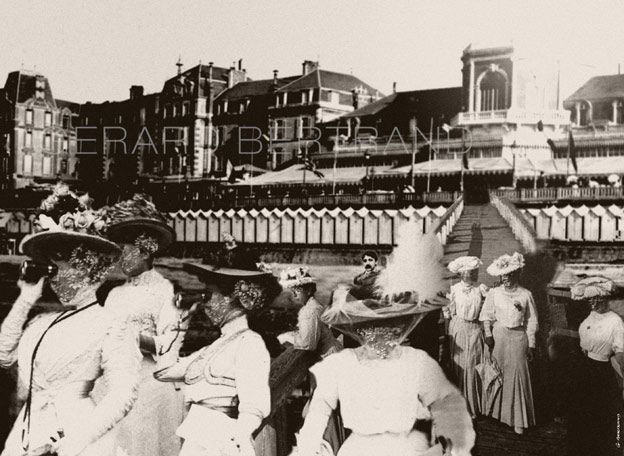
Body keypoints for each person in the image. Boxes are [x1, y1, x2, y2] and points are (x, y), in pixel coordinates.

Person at [295, 228, 475, 456]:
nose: (381, 336)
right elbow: (318, 410)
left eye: (389, 329)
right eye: (372, 329)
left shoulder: (413, 360)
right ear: (361, 329)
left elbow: (445, 404)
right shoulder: (345, 363)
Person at [0, 183, 141, 456]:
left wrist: (73, 443)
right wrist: (25, 298)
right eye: (53, 267)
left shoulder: (112, 323)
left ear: (90, 269)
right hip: (28, 431)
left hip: (77, 434)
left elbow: (123, 394)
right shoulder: (42, 321)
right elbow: (3, 356)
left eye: (64, 266)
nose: (55, 277)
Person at [154, 235, 281, 456]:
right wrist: (179, 324)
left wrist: (235, 441)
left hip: (224, 441)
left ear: (232, 298)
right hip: (197, 437)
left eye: (209, 295)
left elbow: (254, 406)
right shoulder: (212, 348)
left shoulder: (250, 343)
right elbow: (163, 372)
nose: (205, 303)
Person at [101, 194, 187, 456]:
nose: (121, 259)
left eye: (128, 252)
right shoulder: (114, 294)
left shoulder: (164, 291)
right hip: (111, 381)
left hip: (147, 385)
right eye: (121, 252)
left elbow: (168, 347)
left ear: (146, 251)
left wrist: (131, 336)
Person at [479, 252, 537, 435]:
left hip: (519, 337)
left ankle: (518, 420)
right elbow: (486, 316)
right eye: (503, 276)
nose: (506, 279)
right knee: (498, 373)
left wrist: (532, 344)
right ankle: (497, 413)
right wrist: (488, 334)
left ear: (517, 274)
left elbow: (532, 321)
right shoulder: (494, 293)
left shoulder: (526, 295)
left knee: (518, 374)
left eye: (510, 275)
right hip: (499, 336)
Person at [567, 276, 624, 456]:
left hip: (602, 371)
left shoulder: (615, 321)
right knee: (582, 410)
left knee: (602, 412)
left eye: (596, 299)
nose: (592, 303)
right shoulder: (591, 316)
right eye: (589, 299)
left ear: (604, 298)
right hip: (585, 367)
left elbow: (620, 353)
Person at [444, 256, 487, 418]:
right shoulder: (454, 289)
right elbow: (448, 312)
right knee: (459, 365)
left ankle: (474, 405)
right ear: (462, 274)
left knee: (473, 364)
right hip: (459, 327)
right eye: (468, 272)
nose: (471, 275)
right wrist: (448, 334)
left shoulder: (480, 289)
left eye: (473, 272)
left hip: (475, 327)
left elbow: (489, 307)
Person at [278, 267, 342, 358]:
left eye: (298, 290)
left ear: (308, 290)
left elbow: (308, 344)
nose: (294, 295)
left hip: (328, 356)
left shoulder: (311, 310)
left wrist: (285, 337)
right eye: (292, 290)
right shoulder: (311, 305)